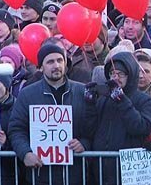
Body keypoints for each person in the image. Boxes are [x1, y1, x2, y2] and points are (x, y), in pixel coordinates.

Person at [8, 43, 90, 185]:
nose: (56, 65)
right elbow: (16, 129)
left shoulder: (82, 92)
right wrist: (25, 153)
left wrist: (85, 143)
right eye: (50, 62)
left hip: (75, 174)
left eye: (60, 60)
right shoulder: (27, 94)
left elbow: (93, 127)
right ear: (40, 67)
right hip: (40, 175)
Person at [83, 51, 151, 184]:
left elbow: (140, 127)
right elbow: (90, 130)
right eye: (112, 73)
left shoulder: (145, 101)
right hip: (100, 170)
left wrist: (122, 100)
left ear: (131, 74)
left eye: (120, 74)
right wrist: (90, 105)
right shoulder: (104, 100)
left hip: (129, 171)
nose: (116, 77)